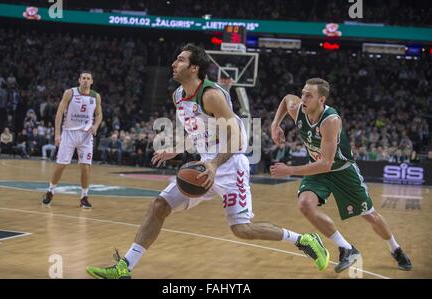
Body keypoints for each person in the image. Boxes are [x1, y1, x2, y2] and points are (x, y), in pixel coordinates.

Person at [86, 44, 329, 279]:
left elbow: (236, 139)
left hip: (231, 165)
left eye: (180, 60)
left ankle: (304, 240)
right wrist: (177, 149)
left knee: (242, 229)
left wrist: (214, 164)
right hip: (205, 165)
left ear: (194, 69)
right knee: (159, 205)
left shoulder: (212, 96)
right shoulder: (178, 95)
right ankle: (125, 267)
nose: (173, 63)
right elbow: (197, 130)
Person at [270, 78, 412, 273]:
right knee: (304, 204)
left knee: (370, 216)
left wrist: (290, 170)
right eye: (303, 93)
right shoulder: (297, 108)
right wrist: (275, 124)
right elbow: (287, 99)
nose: (303, 98)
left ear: (321, 100)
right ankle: (346, 248)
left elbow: (326, 164)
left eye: (309, 95)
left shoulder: (331, 120)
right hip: (317, 169)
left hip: (341, 170)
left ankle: (396, 249)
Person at [42, 71, 103, 208]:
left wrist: (96, 126)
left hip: (86, 136)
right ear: (79, 80)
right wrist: (57, 134)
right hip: (69, 133)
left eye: (88, 79)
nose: (86, 81)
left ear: (92, 81)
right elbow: (59, 113)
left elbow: (99, 115)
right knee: (61, 165)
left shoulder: (96, 96)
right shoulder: (70, 93)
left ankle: (84, 197)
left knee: (86, 167)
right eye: (83, 78)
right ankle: (50, 191)